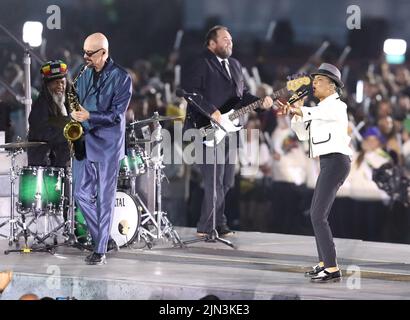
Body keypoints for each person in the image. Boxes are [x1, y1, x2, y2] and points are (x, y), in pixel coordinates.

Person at [182, 25, 273, 237]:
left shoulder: (235, 65)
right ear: (211, 43)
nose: (229, 42)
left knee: (227, 181)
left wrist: (261, 102)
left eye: (230, 39)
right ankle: (207, 226)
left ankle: (218, 222)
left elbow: (243, 95)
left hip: (231, 130)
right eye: (224, 39)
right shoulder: (201, 63)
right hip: (208, 130)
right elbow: (191, 93)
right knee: (213, 181)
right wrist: (211, 110)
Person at [281, 63, 353, 283]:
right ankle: (324, 263)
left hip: (336, 161)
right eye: (314, 80)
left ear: (332, 86)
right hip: (328, 162)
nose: (314, 84)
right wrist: (297, 111)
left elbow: (319, 113)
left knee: (317, 215)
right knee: (317, 214)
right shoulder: (320, 109)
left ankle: (331, 267)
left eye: (319, 80)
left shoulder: (336, 105)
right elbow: (302, 134)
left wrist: (300, 109)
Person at [71, 33, 132, 265]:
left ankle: (100, 250)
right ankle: (103, 238)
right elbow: (76, 99)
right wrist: (73, 111)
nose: (85, 57)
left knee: (104, 199)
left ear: (104, 53)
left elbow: (117, 116)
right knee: (80, 193)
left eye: (90, 53)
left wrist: (90, 116)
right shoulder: (84, 74)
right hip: (85, 140)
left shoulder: (122, 78)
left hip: (107, 145)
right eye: (84, 52)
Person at [27, 60, 71, 168]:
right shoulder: (39, 107)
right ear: (47, 85)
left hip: (66, 161)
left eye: (62, 82)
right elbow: (43, 134)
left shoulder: (70, 101)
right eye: (55, 82)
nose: (60, 86)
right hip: (46, 165)